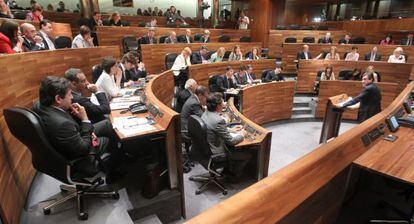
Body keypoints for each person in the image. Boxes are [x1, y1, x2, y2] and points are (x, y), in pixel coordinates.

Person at [33, 76, 123, 181]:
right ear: (58, 99)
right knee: (110, 139)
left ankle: (119, 157)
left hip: (69, 142)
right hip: (80, 156)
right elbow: (84, 148)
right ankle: (112, 172)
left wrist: (86, 129)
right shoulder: (62, 124)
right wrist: (85, 120)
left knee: (108, 124)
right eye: (70, 94)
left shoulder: (39, 105)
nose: (72, 97)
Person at [201, 93, 251, 179]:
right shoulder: (218, 120)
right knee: (247, 155)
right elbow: (231, 141)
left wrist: (229, 130)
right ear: (218, 106)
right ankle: (233, 176)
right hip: (215, 152)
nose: (224, 104)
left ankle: (227, 170)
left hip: (204, 149)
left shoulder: (205, 113)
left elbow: (213, 128)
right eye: (222, 103)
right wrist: (242, 134)